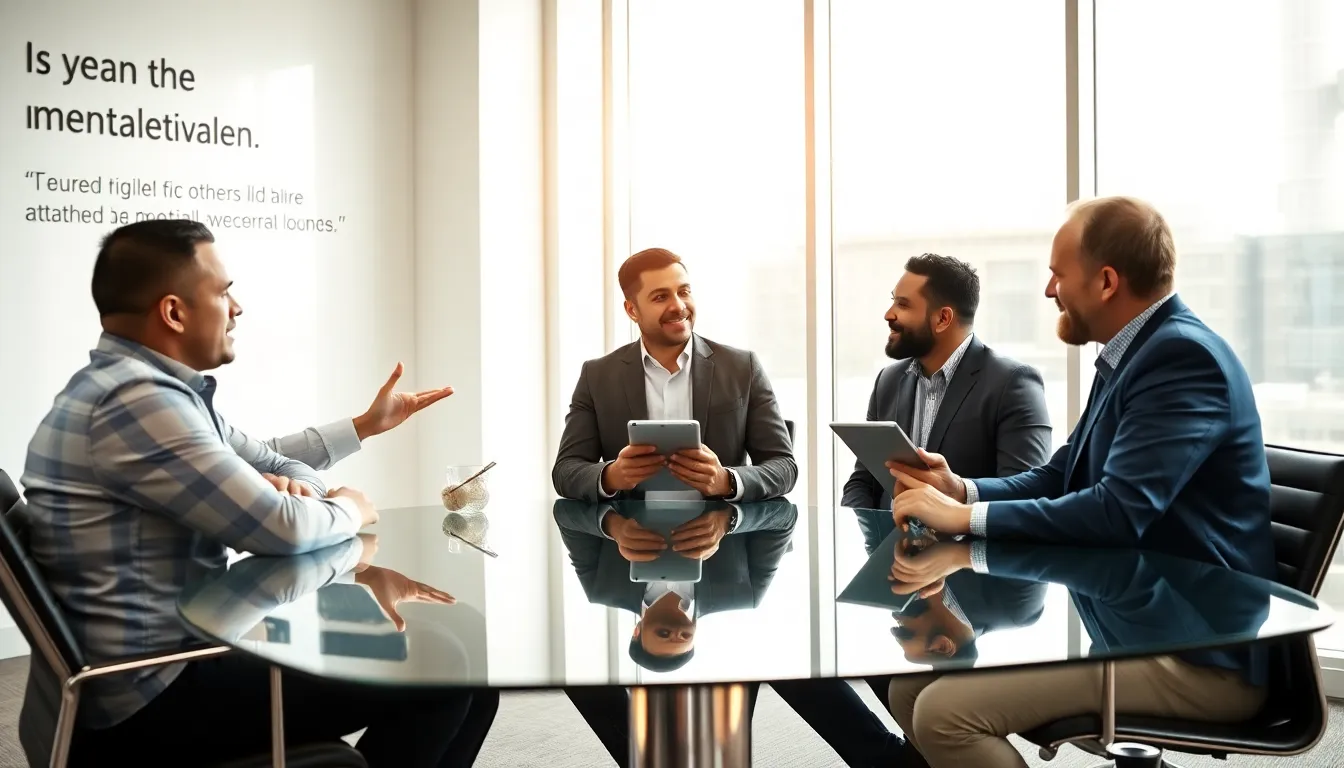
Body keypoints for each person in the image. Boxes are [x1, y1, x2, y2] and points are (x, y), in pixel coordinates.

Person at [20, 220, 494, 767]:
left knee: (465, 645)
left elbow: (268, 458)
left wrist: (356, 433)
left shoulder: (145, 389)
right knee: (444, 669)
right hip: (158, 690)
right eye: (223, 292)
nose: (237, 307)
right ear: (174, 312)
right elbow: (284, 529)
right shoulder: (136, 403)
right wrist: (347, 507)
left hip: (187, 648)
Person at [883, 197, 1273, 767]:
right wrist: (962, 489)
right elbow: (1062, 475)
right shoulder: (1134, 355)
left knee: (946, 714)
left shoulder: (1181, 358)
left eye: (1058, 274)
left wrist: (964, 520)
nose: (1049, 290)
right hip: (1140, 624)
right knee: (911, 688)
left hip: (1199, 653)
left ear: (1106, 281)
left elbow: (1117, 513)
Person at [551, 247, 796, 503]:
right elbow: (566, 470)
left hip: (722, 533)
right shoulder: (597, 376)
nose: (678, 306)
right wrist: (611, 476)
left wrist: (727, 481)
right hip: (629, 534)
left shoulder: (742, 367)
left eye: (684, 292)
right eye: (660, 297)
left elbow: (784, 466)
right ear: (632, 310)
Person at [841, 252, 1052, 510]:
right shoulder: (888, 381)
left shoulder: (1013, 383)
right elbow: (863, 481)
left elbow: (1027, 492)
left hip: (969, 548)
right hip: (891, 545)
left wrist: (958, 494)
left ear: (943, 319)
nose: (889, 314)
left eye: (903, 305)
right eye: (893, 301)